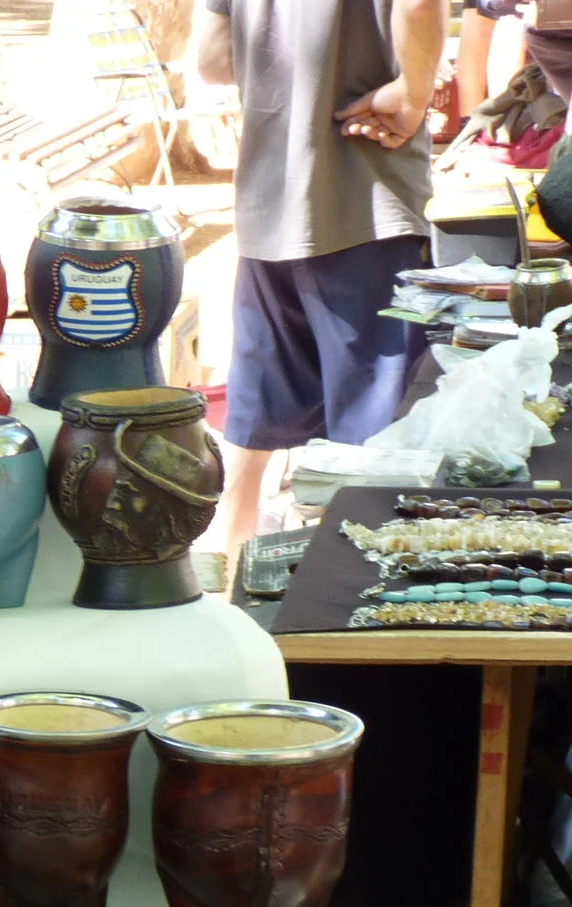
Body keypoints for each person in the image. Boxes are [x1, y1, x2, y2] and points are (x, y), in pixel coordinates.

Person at [191, 0, 443, 555]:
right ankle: (345, 588)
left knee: (254, 424)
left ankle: (226, 576)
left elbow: (211, 59)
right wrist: (412, 94)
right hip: (366, 200)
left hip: (270, 202)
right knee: (372, 451)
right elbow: (421, 7)